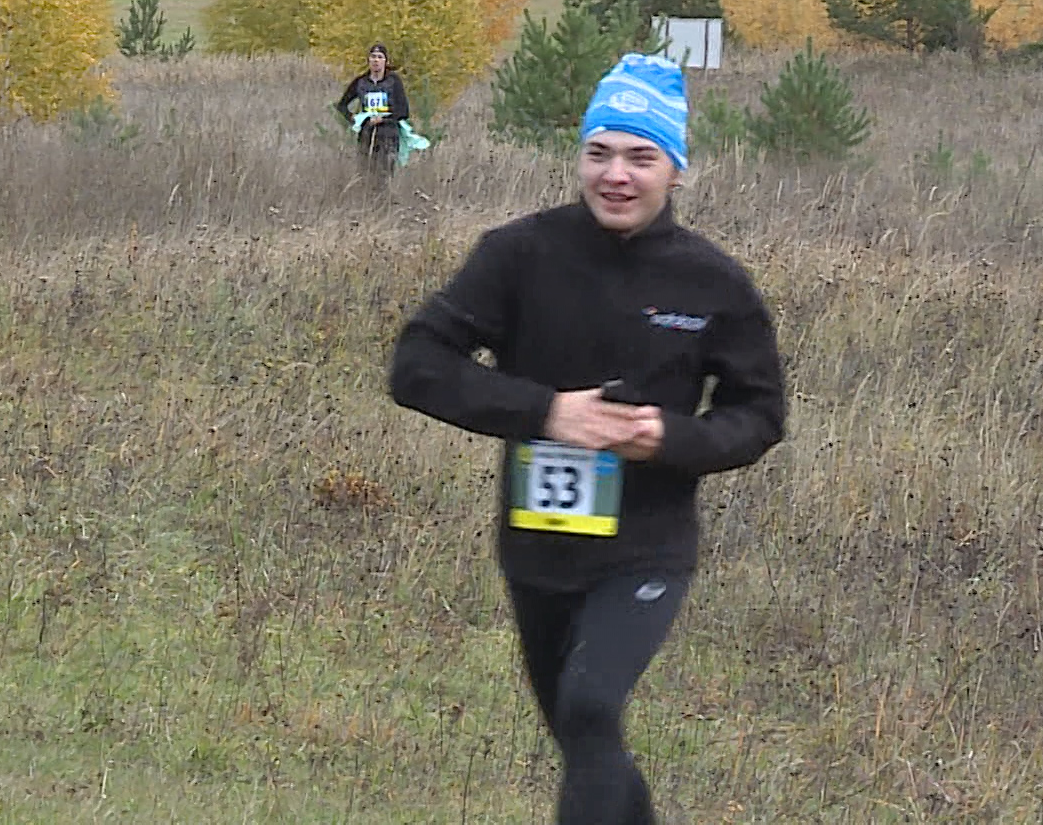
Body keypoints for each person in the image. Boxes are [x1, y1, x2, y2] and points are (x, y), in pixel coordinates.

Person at [388, 53, 787, 824]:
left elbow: (759, 415)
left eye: (642, 157)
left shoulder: (713, 284)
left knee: (593, 706)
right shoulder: (519, 254)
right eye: (599, 152)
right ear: (579, 157)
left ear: (676, 170)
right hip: (536, 547)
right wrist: (546, 413)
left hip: (647, 548)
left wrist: (667, 437)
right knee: (581, 733)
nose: (617, 175)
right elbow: (416, 366)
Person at [333, 43, 410, 173]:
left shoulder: (393, 81)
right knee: (366, 173)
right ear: (368, 60)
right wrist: (353, 119)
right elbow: (342, 105)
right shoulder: (361, 82)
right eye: (373, 57)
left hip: (388, 135)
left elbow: (404, 111)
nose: (376, 60)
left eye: (380, 57)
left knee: (384, 174)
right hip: (367, 134)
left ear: (386, 61)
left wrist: (384, 119)